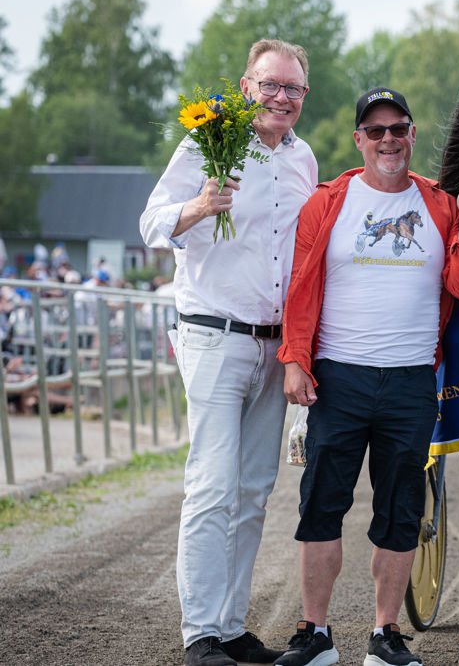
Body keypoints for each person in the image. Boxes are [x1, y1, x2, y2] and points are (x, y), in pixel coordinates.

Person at [273, 87, 459, 666]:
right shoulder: (328, 202)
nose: (387, 140)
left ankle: (384, 636)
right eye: (375, 131)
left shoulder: (441, 205)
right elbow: (300, 287)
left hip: (411, 383)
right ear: (359, 140)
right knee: (321, 505)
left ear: (412, 135)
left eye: (397, 129)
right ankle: (315, 634)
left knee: (400, 511)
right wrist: (294, 358)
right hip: (338, 379)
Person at [139, 39, 318, 666]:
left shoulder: (303, 160)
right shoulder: (206, 143)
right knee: (211, 486)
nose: (282, 97)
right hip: (214, 336)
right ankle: (200, 635)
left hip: (274, 347)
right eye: (271, 85)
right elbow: (150, 223)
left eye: (293, 88)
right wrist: (198, 206)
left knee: (253, 491)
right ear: (246, 87)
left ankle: (231, 625)